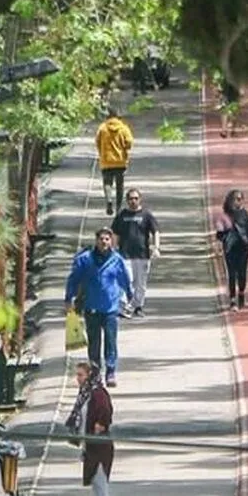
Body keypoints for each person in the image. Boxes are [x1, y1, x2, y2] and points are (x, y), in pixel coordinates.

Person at [65, 228, 133, 387]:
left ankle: (111, 372)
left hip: (110, 309)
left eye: (107, 239)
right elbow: (74, 279)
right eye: (101, 239)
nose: (104, 242)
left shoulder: (117, 260)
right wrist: (69, 298)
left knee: (111, 341)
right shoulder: (85, 260)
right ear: (96, 240)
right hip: (91, 308)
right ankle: (95, 373)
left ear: (111, 241)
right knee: (94, 343)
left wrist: (130, 295)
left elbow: (124, 278)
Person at [65, 362, 115, 496]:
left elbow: (105, 413)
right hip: (90, 446)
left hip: (99, 447)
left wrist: (99, 427)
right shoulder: (86, 394)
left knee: (101, 487)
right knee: (96, 487)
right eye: (77, 375)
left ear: (89, 375)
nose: (77, 379)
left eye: (81, 375)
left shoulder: (98, 394)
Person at [110, 188, 160, 318]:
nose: (133, 201)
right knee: (127, 280)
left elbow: (155, 232)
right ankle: (124, 306)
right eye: (131, 199)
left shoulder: (146, 215)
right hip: (124, 254)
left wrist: (156, 247)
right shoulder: (122, 215)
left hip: (142, 254)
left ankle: (138, 306)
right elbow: (115, 233)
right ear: (127, 200)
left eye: (136, 198)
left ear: (140, 199)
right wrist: (113, 250)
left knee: (140, 283)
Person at [216, 189, 248, 310]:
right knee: (231, 274)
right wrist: (218, 246)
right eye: (235, 199)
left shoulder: (245, 214)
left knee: (242, 274)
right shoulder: (224, 215)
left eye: (240, 199)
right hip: (230, 249)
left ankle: (241, 293)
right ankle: (232, 299)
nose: (238, 201)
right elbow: (219, 234)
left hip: (243, 248)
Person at [95, 107, 134, 215]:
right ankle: (119, 208)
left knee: (107, 183)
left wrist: (102, 152)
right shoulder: (123, 128)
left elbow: (97, 142)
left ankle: (109, 201)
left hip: (106, 161)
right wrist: (123, 148)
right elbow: (129, 143)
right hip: (120, 161)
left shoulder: (102, 128)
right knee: (119, 185)